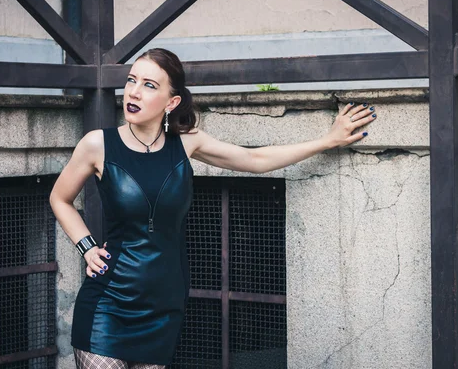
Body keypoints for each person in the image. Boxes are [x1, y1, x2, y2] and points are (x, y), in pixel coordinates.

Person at [49, 48, 377, 369]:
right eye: (132, 80)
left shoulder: (187, 141)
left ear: (172, 101)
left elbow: (254, 160)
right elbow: (60, 199)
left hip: (163, 307)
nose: (133, 92)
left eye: (149, 85)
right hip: (109, 303)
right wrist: (87, 247)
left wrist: (327, 140)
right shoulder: (98, 144)